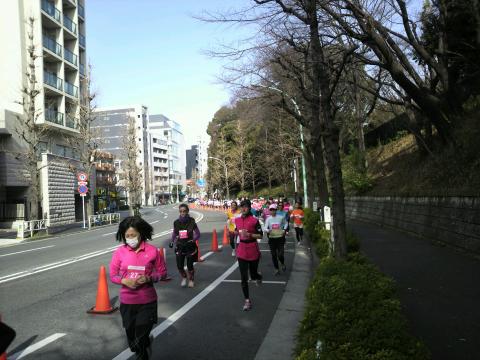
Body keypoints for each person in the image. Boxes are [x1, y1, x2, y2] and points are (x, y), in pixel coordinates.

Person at [110, 216, 167, 360]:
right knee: (133, 343)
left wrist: (150, 278)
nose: (130, 238)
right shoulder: (119, 252)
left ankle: (143, 349)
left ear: (140, 233)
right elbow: (113, 275)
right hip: (127, 303)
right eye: (127, 236)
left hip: (147, 301)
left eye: (133, 235)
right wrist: (124, 281)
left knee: (140, 339)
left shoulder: (152, 251)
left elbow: (163, 273)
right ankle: (144, 343)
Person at [234, 199, 263, 311]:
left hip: (252, 249)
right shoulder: (237, 220)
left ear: (249, 207)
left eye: (245, 206)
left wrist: (250, 234)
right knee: (243, 277)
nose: (243, 208)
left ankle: (258, 276)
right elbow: (237, 230)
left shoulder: (254, 220)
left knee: (253, 274)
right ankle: (247, 300)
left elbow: (261, 236)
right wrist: (235, 233)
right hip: (241, 250)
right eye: (242, 207)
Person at [169, 204, 201, 288]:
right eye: (181, 211)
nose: (182, 213)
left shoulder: (192, 221)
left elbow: (198, 234)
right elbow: (174, 233)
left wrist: (193, 240)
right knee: (179, 266)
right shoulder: (176, 222)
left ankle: (191, 279)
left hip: (190, 246)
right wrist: (172, 241)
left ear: (187, 211)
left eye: (184, 211)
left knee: (190, 265)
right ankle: (184, 277)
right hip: (180, 245)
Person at [263, 203, 288, 275]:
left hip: (280, 237)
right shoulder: (268, 219)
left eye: (274, 210)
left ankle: (282, 263)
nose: (272, 211)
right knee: (273, 255)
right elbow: (265, 228)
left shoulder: (281, 217)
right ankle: (276, 268)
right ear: (269, 211)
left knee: (280, 254)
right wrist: (268, 230)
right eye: (271, 210)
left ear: (276, 210)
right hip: (272, 238)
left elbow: (286, 223)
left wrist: (284, 230)